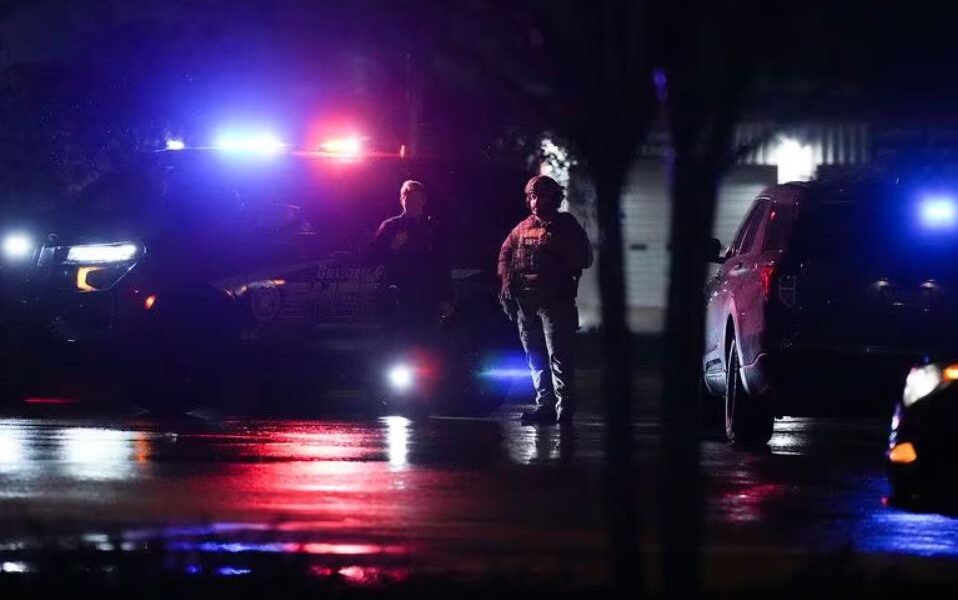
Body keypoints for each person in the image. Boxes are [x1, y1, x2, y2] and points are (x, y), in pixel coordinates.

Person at [498, 175, 593, 425]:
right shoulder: (523, 227)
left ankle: (565, 407)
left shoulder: (566, 225)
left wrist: (558, 248)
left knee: (558, 356)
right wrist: (507, 282)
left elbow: (584, 258)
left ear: (553, 198)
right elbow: (505, 254)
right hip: (525, 303)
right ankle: (545, 405)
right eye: (531, 196)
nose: (535, 201)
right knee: (535, 357)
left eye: (540, 195)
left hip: (555, 302)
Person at [370, 180, 453, 345]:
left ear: (423, 200)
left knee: (428, 347)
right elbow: (372, 258)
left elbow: (442, 264)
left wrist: (447, 297)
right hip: (398, 300)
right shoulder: (389, 227)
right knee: (397, 348)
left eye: (416, 199)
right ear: (402, 200)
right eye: (408, 199)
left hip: (427, 300)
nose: (412, 203)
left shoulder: (433, 227)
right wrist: (393, 246)